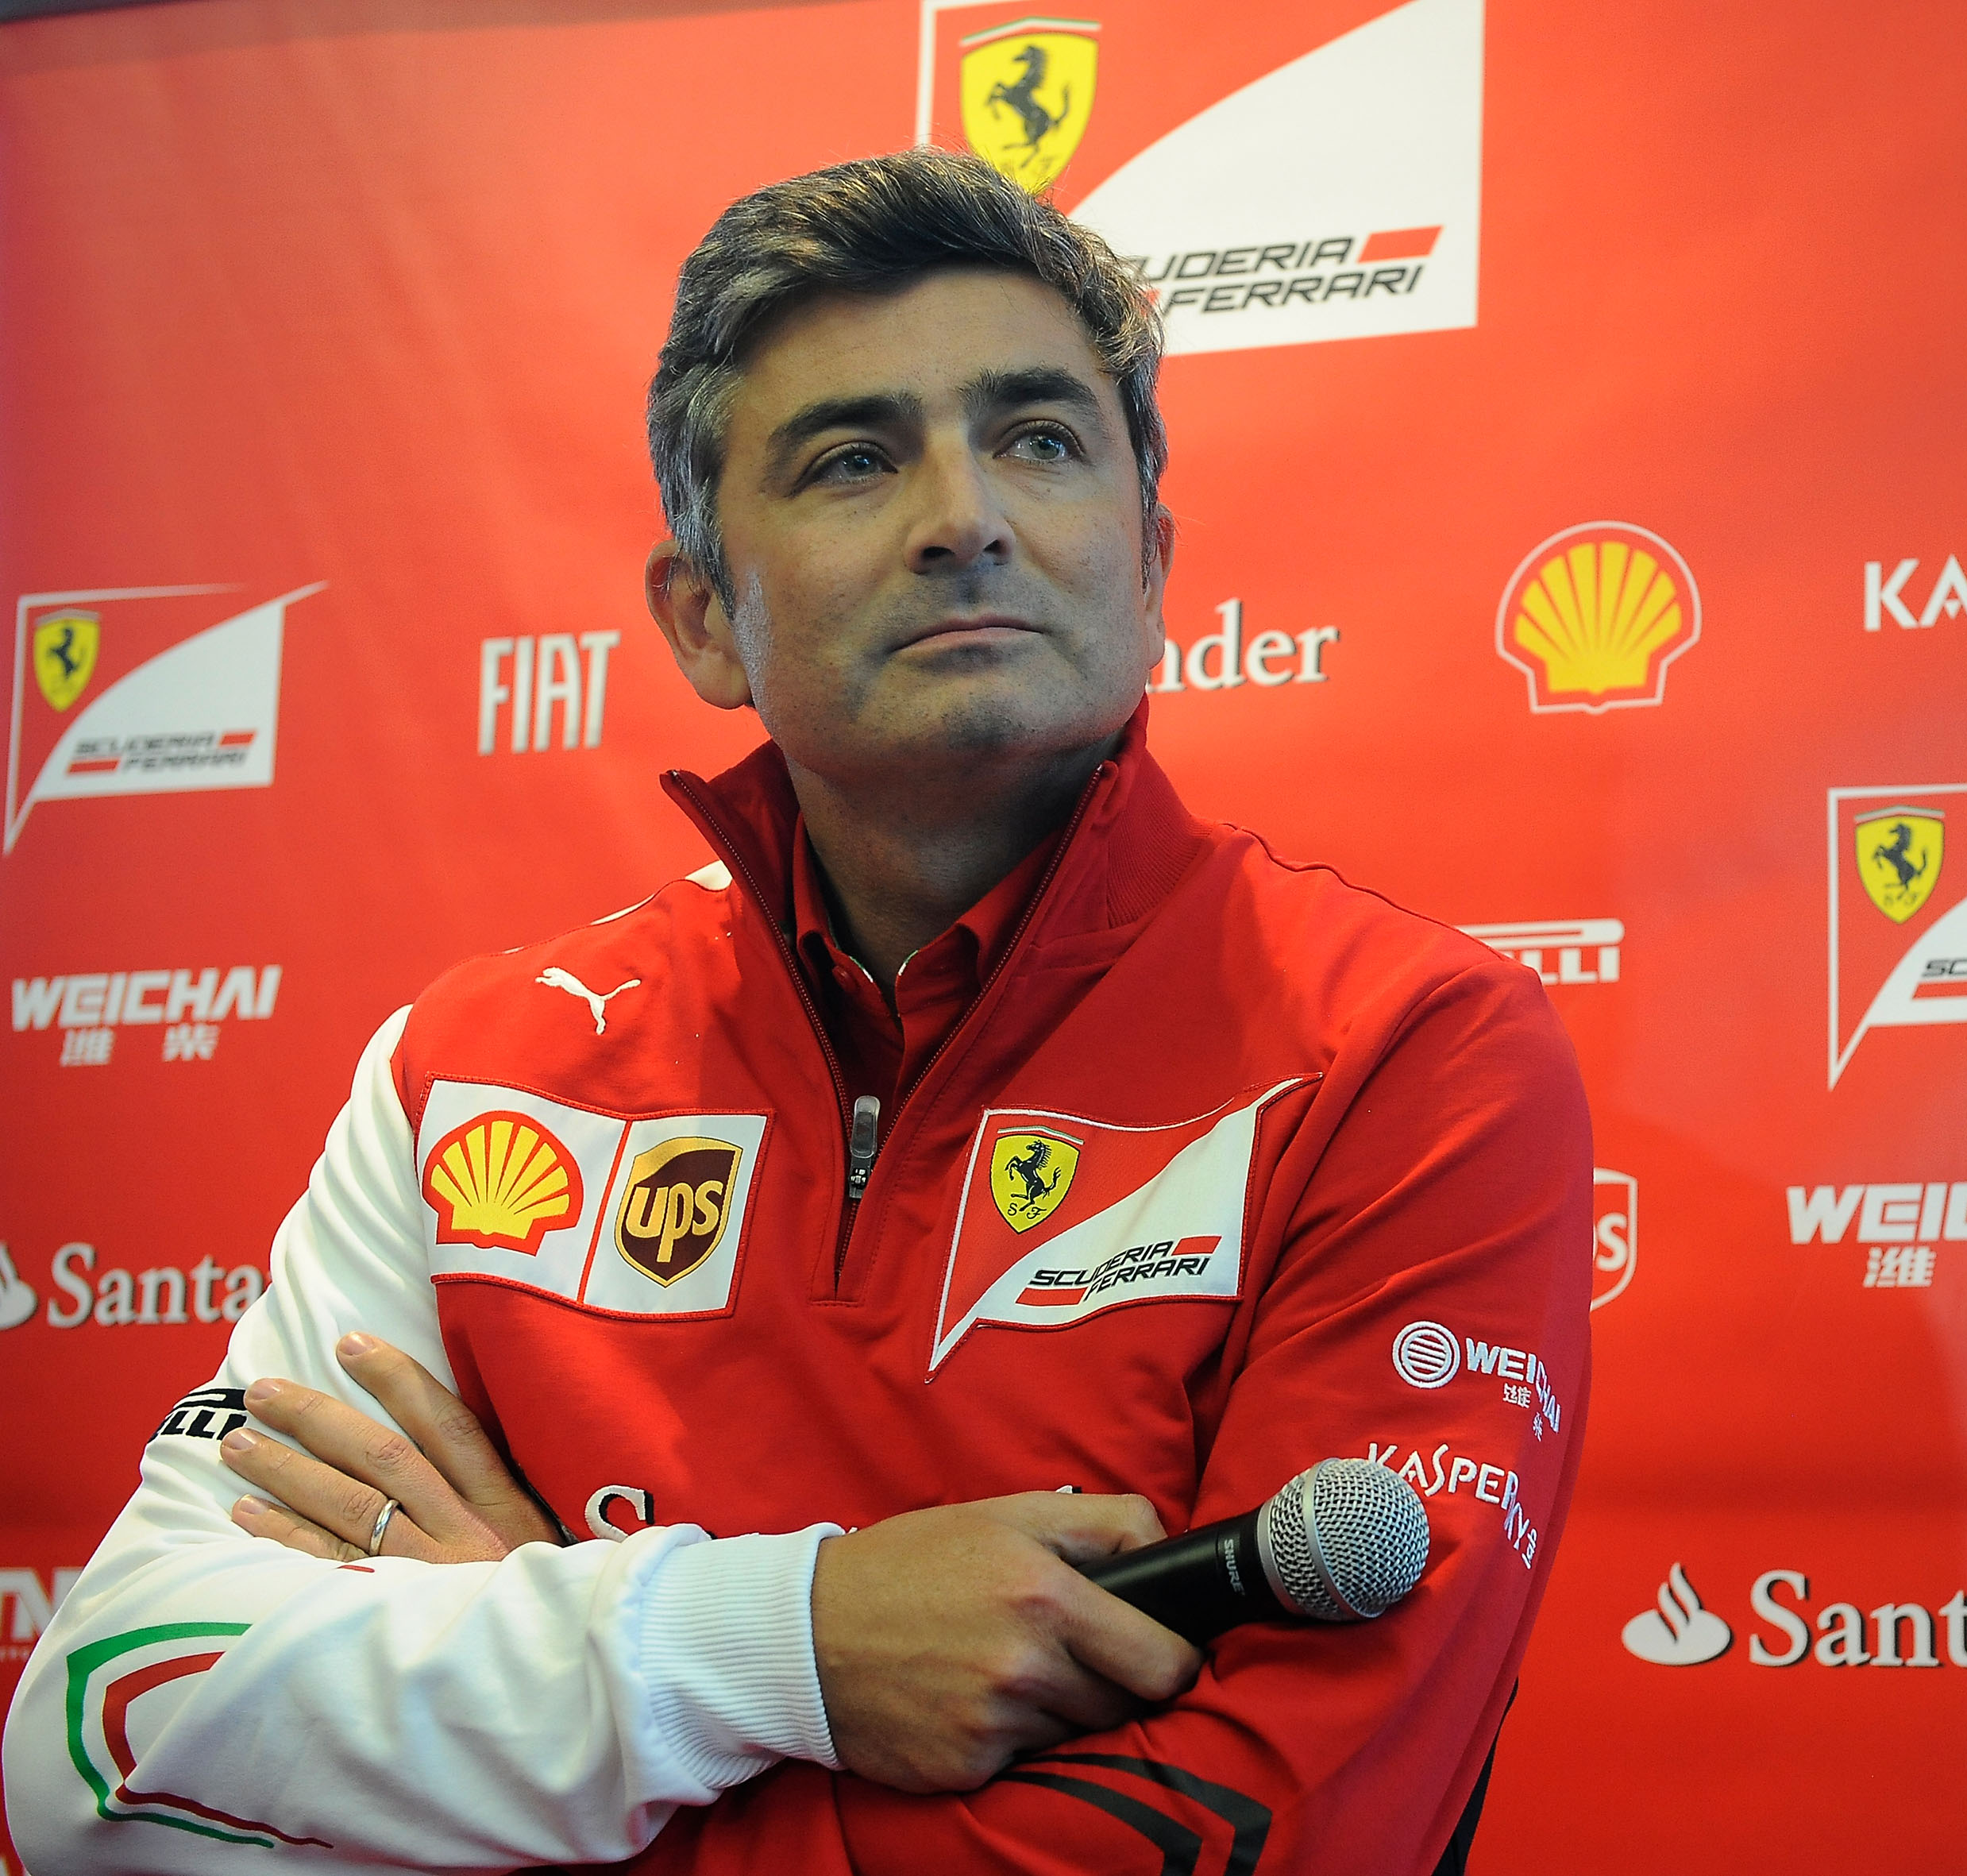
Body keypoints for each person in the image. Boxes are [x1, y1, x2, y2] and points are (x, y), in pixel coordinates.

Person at [2, 149, 1591, 1874]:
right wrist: (779, 1641)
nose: (965, 516)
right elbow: (95, 1746)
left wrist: (520, 1717)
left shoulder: (1405, 1050)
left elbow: (1259, 1830)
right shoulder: (473, 1067)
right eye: (852, 459)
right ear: (703, 619)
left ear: (1150, 562)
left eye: (1039, 438)